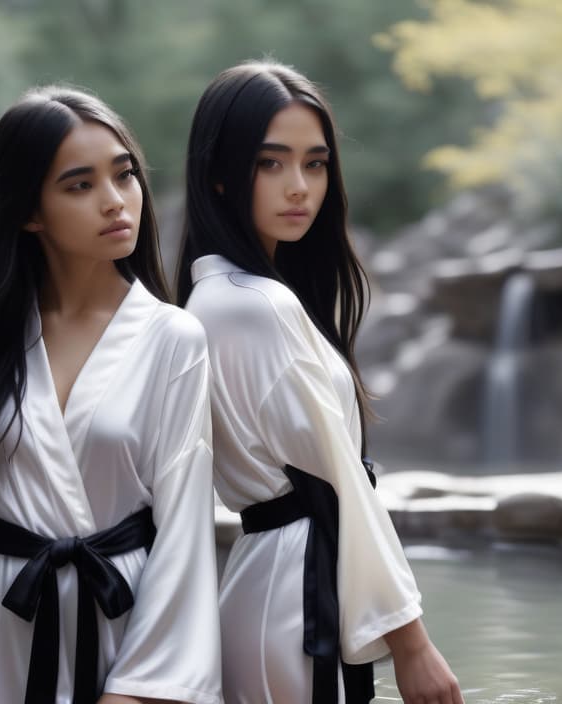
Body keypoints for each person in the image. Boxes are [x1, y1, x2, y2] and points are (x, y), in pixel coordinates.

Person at [0, 86, 221, 704]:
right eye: (80, 185)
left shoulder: (175, 339)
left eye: (124, 176)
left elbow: (184, 535)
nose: (116, 201)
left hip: (125, 632)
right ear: (29, 212)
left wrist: (136, 690)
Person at [177, 61, 464, 704]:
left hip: (278, 581)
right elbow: (344, 487)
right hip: (295, 599)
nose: (300, 187)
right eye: (271, 163)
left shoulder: (225, 298)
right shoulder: (253, 305)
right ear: (220, 174)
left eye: (316, 163)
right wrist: (413, 646)